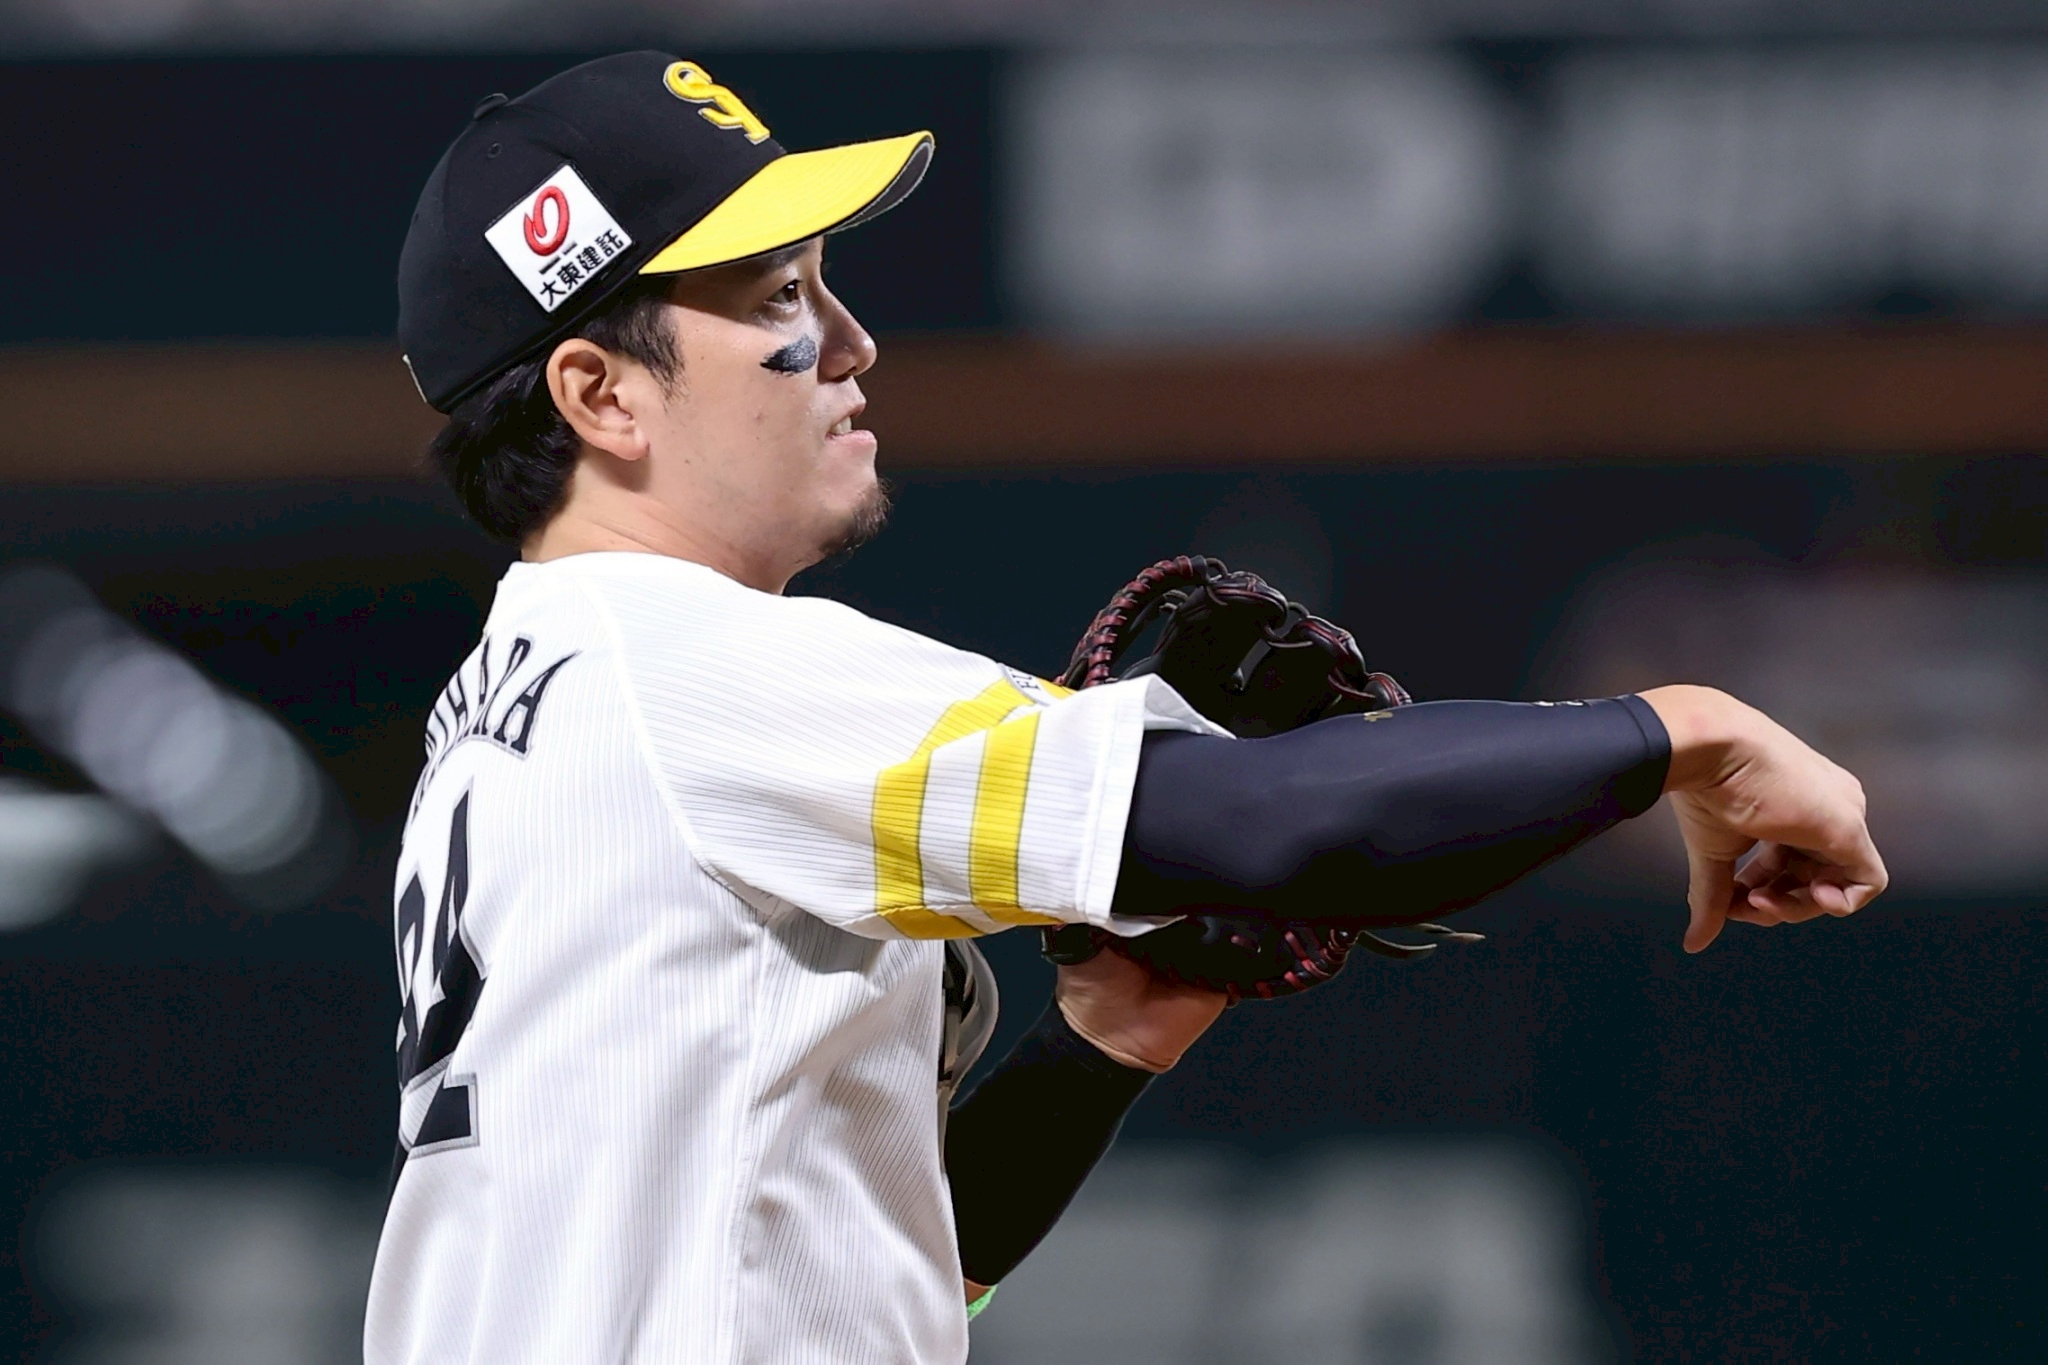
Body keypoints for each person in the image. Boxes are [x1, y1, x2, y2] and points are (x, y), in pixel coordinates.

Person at [367, 50, 1886, 1365]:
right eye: (779, 297)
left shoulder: (522, 710)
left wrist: (1102, 1043)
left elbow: (894, 1269)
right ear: (601, 394)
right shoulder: (689, 666)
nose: (851, 342)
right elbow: (1284, 829)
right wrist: (1682, 731)